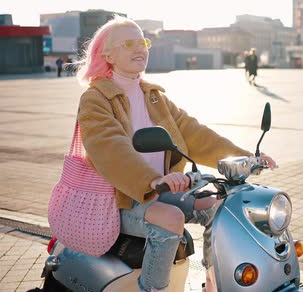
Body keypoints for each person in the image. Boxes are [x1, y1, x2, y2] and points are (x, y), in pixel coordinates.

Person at [72, 15, 277, 292]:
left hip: (159, 189)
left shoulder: (153, 96)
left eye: (143, 41)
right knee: (172, 219)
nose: (140, 48)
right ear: (107, 54)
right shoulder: (96, 98)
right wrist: (152, 180)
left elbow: (194, 133)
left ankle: (215, 284)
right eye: (129, 43)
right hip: (119, 200)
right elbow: (108, 147)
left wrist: (245, 157)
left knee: (220, 204)